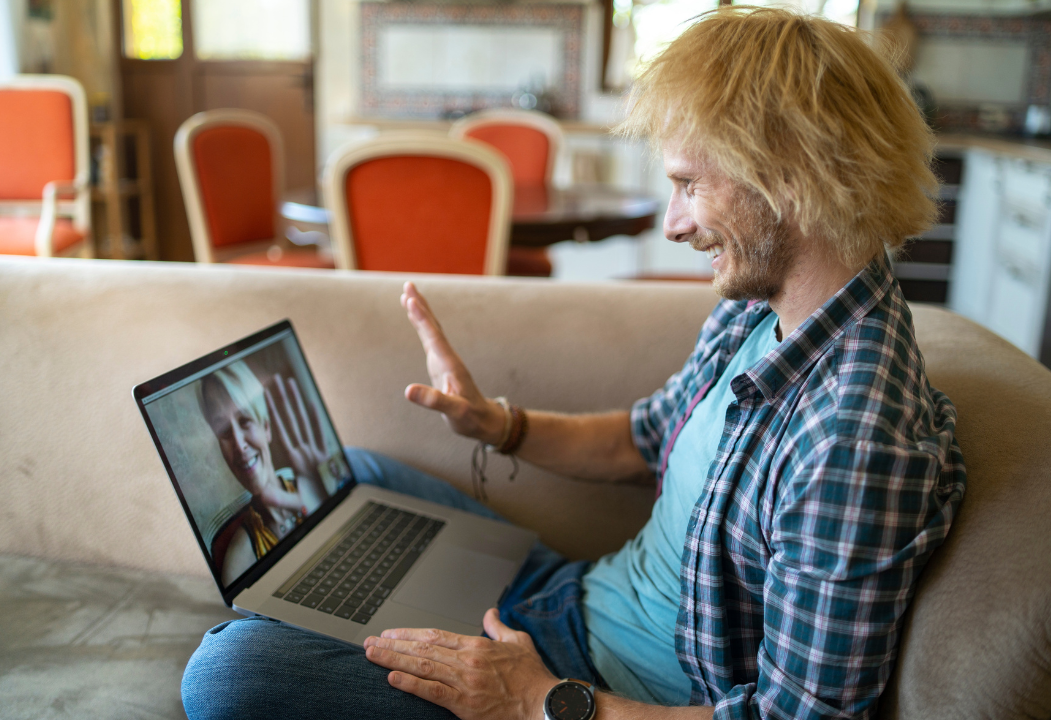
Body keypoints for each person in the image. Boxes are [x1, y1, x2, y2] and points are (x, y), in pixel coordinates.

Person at [181, 7, 966, 720]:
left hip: (588, 682)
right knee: (346, 474)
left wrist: (538, 703)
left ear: (788, 176)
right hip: (569, 595)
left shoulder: (855, 437)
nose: (675, 223)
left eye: (689, 185)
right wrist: (501, 425)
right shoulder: (764, 309)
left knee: (228, 673)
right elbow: (644, 438)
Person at [200, 363, 332, 585]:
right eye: (223, 430)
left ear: (267, 428)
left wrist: (325, 506)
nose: (239, 445)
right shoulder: (238, 563)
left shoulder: (313, 484)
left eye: (245, 421)